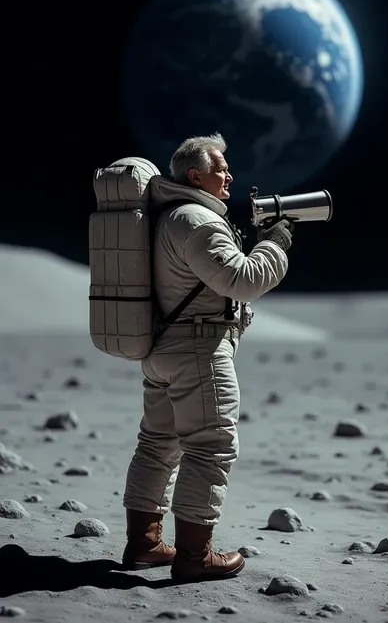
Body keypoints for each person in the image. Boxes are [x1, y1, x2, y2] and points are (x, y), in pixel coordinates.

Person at [122, 132, 294, 582]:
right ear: (195, 175)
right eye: (220, 167)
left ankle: (143, 543)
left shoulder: (168, 218)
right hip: (198, 349)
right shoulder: (197, 220)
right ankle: (195, 558)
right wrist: (274, 245)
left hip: (164, 349)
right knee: (211, 448)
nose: (229, 174)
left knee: (157, 445)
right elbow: (241, 280)